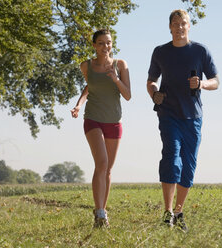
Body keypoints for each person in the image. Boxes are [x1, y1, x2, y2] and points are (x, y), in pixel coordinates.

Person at [146, 9, 219, 231]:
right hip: (168, 113)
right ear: (169, 27)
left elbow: (215, 81)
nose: (179, 27)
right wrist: (154, 93)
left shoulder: (200, 51)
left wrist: (202, 84)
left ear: (189, 26)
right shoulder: (160, 52)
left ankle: (178, 212)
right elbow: (151, 80)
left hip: (193, 116)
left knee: (188, 165)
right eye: (175, 24)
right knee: (171, 157)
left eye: (183, 23)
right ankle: (167, 213)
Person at [71, 29, 131, 228]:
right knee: (102, 163)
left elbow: (128, 95)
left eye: (109, 43)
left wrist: (115, 78)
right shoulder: (85, 66)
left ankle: (101, 214)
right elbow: (89, 88)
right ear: (94, 46)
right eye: (101, 43)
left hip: (114, 121)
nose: (106, 47)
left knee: (107, 169)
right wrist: (79, 105)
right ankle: (99, 212)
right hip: (93, 119)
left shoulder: (120, 65)